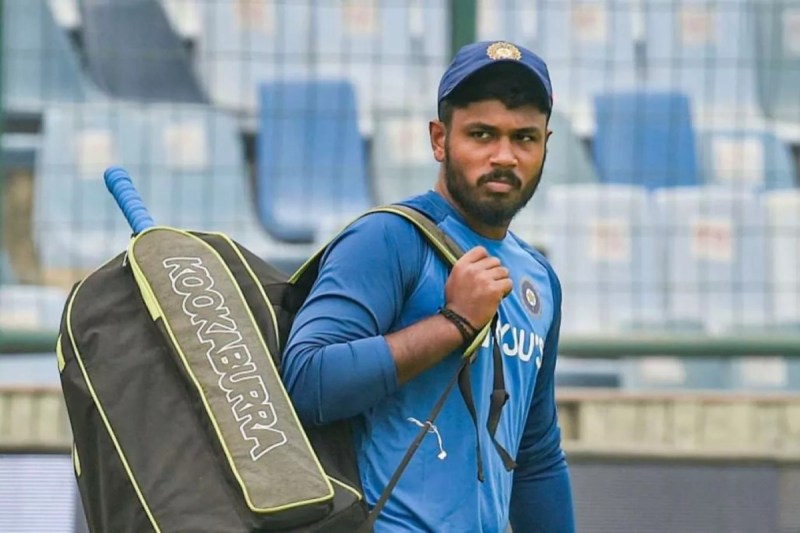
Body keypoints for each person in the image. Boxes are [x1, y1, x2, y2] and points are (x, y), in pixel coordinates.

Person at [282, 40, 575, 533]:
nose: (504, 156)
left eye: (524, 138)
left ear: (546, 144)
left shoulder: (540, 280)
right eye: (481, 134)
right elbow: (307, 382)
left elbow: (535, 454)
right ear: (440, 140)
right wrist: (452, 323)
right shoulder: (388, 238)